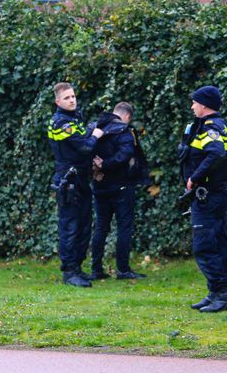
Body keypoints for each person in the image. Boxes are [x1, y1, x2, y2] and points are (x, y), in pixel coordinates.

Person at [178, 85, 227, 313]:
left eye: (194, 102)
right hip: (215, 195)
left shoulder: (212, 128)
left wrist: (194, 177)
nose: (192, 106)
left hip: (208, 196)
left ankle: (221, 296)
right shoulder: (213, 127)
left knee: (204, 246)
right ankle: (215, 293)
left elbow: (217, 154)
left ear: (203, 105)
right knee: (217, 244)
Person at [47, 82, 104, 288]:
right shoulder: (62, 122)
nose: (72, 100)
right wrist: (96, 135)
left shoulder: (74, 118)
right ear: (57, 101)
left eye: (73, 96)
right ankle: (69, 271)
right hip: (68, 180)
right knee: (70, 226)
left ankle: (78, 267)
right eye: (67, 98)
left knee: (84, 224)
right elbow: (83, 147)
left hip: (81, 177)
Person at [90, 102, 150, 280]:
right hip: (122, 186)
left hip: (99, 186)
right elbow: (125, 155)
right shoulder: (124, 131)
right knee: (124, 227)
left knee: (101, 227)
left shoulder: (95, 128)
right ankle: (123, 269)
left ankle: (96, 269)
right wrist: (106, 165)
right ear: (128, 117)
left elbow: (84, 151)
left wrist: (96, 168)